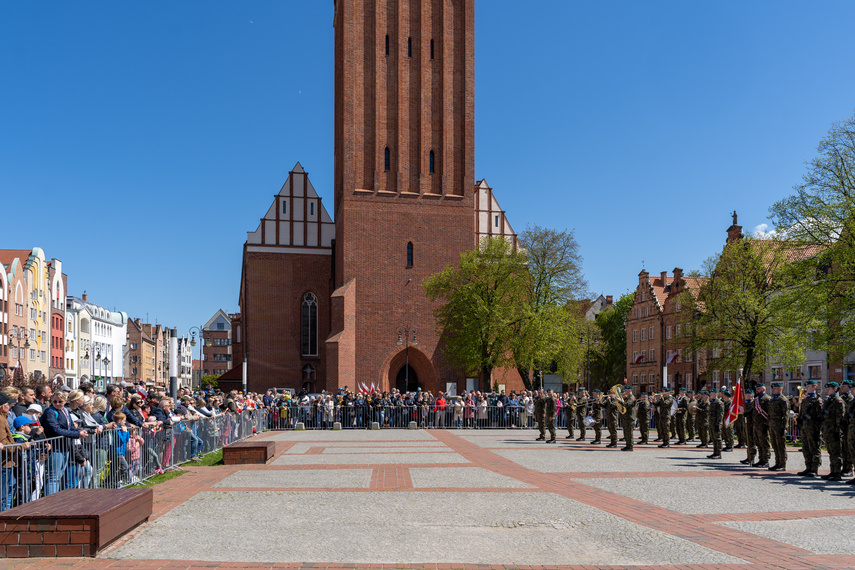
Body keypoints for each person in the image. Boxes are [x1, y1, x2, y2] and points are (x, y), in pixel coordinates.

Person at [42, 391, 90, 495]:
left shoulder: (65, 411)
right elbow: (56, 429)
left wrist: (79, 432)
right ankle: (50, 502)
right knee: (53, 478)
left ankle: (55, 499)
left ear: (65, 401)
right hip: (55, 447)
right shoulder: (50, 411)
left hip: (65, 446)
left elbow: (71, 427)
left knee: (58, 477)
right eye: (55, 401)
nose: (57, 403)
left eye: (60, 401)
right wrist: (77, 435)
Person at [820, 382, 845, 481]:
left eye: (830, 389)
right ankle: (833, 471)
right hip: (827, 430)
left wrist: (837, 430)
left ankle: (837, 473)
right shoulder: (828, 400)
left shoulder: (838, 401)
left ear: (835, 389)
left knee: (836, 452)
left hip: (834, 430)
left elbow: (840, 417)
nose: (828, 390)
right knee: (831, 451)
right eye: (827, 389)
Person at [767, 382, 789, 471]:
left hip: (779, 425)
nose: (774, 390)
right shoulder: (772, 399)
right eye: (773, 388)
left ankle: (782, 464)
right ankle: (777, 463)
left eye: (776, 388)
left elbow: (786, 414)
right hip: (772, 425)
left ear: (781, 389)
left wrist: (784, 427)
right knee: (775, 445)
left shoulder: (782, 399)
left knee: (780, 446)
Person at [752, 383, 772, 469]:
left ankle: (765, 460)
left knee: (764, 443)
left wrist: (767, 424)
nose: (757, 390)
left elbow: (769, 413)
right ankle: (761, 459)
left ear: (763, 389)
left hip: (764, 424)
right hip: (756, 424)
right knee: (758, 443)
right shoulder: (756, 399)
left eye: (759, 389)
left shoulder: (767, 399)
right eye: (756, 389)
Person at [839, 380, 854, 479]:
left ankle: (849, 468)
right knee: (844, 448)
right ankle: (845, 467)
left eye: (844, 386)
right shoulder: (841, 398)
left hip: (851, 427)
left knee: (850, 449)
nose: (842, 388)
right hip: (845, 427)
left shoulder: (850, 399)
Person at [740, 387, 758, 466]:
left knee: (752, 442)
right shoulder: (744, 403)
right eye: (745, 394)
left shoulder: (753, 402)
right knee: (748, 442)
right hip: (746, 424)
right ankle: (748, 457)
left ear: (751, 395)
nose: (745, 395)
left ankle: (752, 457)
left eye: (747, 394)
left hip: (752, 424)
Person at [707, 389, 723, 459]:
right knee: (713, 438)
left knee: (718, 438)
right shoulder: (712, 402)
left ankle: (718, 453)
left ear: (716, 394)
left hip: (716, 423)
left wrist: (718, 424)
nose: (710, 395)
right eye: (710, 393)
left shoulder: (719, 402)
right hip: (711, 423)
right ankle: (715, 452)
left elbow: (720, 414)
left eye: (712, 393)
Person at [620, 386, 636, 451]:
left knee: (629, 432)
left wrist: (620, 400)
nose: (624, 392)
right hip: (626, 417)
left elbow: (626, 404)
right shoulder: (628, 397)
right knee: (626, 432)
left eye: (626, 390)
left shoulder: (631, 397)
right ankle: (627, 445)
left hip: (630, 417)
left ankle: (630, 446)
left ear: (629, 391)